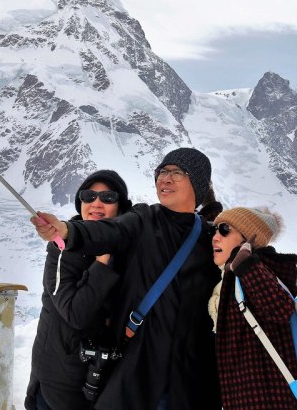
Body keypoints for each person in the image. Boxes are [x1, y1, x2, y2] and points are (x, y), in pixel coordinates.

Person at [32, 147, 222, 410]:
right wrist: (67, 230)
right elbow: (111, 231)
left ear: (198, 182)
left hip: (188, 380)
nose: (165, 179)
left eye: (177, 172)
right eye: (162, 172)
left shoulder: (211, 239)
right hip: (133, 375)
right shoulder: (144, 220)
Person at [25, 169, 133, 410]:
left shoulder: (127, 248)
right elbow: (76, 314)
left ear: (121, 207)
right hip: (60, 382)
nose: (96, 203)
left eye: (107, 197)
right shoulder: (62, 248)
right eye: (88, 196)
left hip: (103, 379)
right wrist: (102, 262)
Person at [207, 206, 297, 410]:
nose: (215, 237)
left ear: (247, 239)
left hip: (266, 399)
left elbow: (281, 309)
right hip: (242, 397)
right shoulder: (227, 278)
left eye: (224, 229)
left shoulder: (258, 270)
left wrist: (247, 266)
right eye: (213, 231)